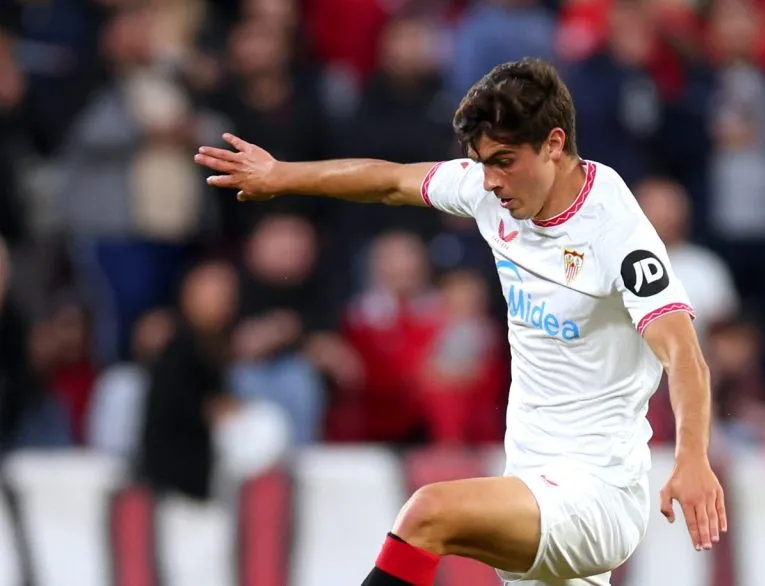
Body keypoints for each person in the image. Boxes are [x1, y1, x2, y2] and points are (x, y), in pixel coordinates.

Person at [195, 58, 725, 586]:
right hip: (527, 484)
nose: (489, 181)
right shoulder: (492, 192)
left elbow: (682, 353)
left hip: (595, 498)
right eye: (480, 162)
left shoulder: (616, 233)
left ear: (555, 144)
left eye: (503, 161)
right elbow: (389, 182)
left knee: (429, 513)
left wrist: (692, 458)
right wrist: (280, 176)